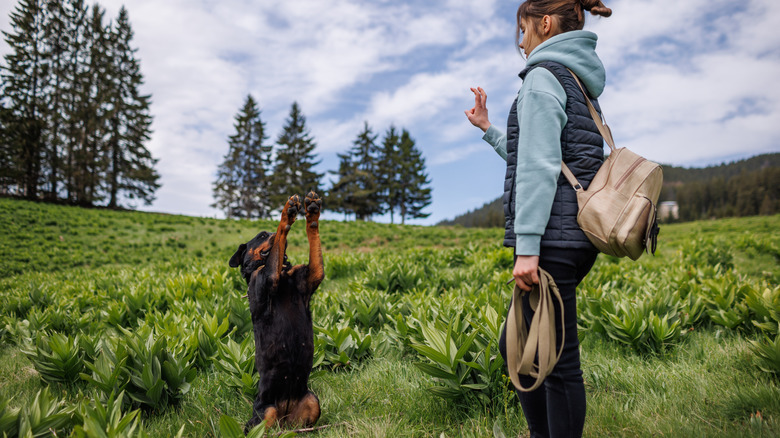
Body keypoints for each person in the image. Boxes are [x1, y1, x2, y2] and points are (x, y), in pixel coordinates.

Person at [464, 1, 612, 437]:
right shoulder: (577, 80)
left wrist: (527, 247)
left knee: (557, 362)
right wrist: (491, 129)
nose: (521, 40)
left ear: (544, 24)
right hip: (572, 238)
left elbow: (538, 167)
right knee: (520, 347)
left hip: (551, 241)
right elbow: (546, 157)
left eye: (523, 29)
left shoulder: (544, 77)